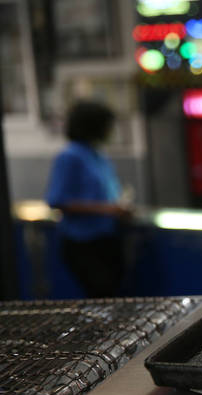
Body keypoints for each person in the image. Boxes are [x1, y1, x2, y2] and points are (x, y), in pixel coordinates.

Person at [45, 99, 131, 298]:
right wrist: (107, 210)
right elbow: (56, 199)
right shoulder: (69, 157)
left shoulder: (97, 155)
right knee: (101, 294)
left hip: (106, 238)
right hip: (82, 243)